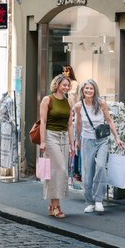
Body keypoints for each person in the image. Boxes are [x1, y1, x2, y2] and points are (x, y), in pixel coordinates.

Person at [74, 78, 124, 214]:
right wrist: (77, 140)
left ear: (95, 90)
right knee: (87, 171)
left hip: (102, 140)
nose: (89, 90)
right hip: (87, 141)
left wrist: (117, 137)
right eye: (86, 88)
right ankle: (90, 201)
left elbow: (109, 120)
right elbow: (78, 125)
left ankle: (99, 200)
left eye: (91, 88)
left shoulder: (101, 103)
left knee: (101, 166)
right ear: (82, 91)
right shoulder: (79, 106)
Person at [39, 74, 73, 219]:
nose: (66, 87)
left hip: (64, 137)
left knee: (56, 171)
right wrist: (43, 141)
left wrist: (72, 143)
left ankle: (53, 205)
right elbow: (43, 122)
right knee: (60, 169)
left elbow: (70, 124)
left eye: (68, 85)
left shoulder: (69, 102)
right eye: (64, 85)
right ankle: (56, 206)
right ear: (57, 84)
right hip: (51, 136)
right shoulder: (47, 100)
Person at [62, 65, 81, 182]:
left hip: (74, 114)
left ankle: (74, 171)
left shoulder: (75, 84)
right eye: (63, 71)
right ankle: (67, 169)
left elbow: (77, 99)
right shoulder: (62, 84)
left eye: (67, 70)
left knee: (73, 142)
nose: (65, 73)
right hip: (64, 113)